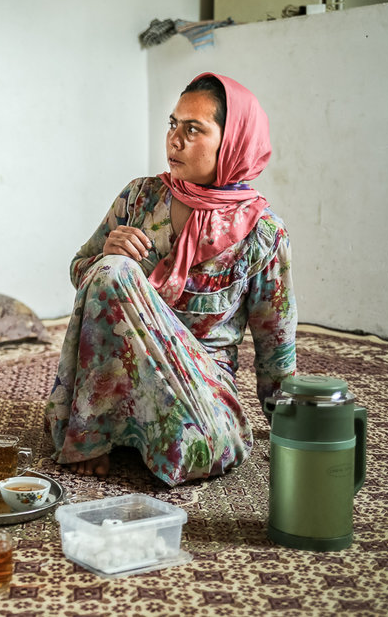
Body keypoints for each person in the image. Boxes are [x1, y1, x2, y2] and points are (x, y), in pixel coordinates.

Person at [45, 72, 296, 486]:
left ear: (231, 142)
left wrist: (289, 424)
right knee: (113, 270)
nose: (174, 139)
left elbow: (276, 342)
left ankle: (144, 434)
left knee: (207, 444)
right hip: (118, 382)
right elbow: (80, 268)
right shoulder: (140, 197)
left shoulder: (262, 233)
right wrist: (106, 253)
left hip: (196, 386)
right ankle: (94, 435)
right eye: (172, 124)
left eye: (193, 129)